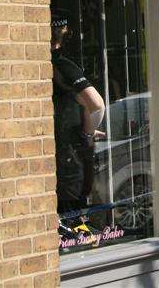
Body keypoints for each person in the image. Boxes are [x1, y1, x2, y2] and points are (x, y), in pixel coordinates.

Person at [51, 11, 106, 216]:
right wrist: (88, 133)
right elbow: (97, 105)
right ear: (64, 34)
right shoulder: (63, 65)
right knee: (73, 217)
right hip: (69, 158)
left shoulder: (41, 66)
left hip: (58, 154)